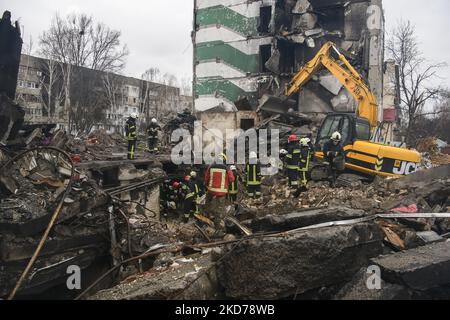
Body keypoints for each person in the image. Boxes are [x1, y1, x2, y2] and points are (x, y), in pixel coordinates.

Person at [204, 153, 235, 235]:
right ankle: (217, 226)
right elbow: (232, 179)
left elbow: (206, 178)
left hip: (211, 190)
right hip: (221, 191)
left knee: (208, 202)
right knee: (219, 208)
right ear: (224, 160)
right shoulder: (226, 168)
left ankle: (206, 215)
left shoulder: (210, 166)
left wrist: (207, 185)